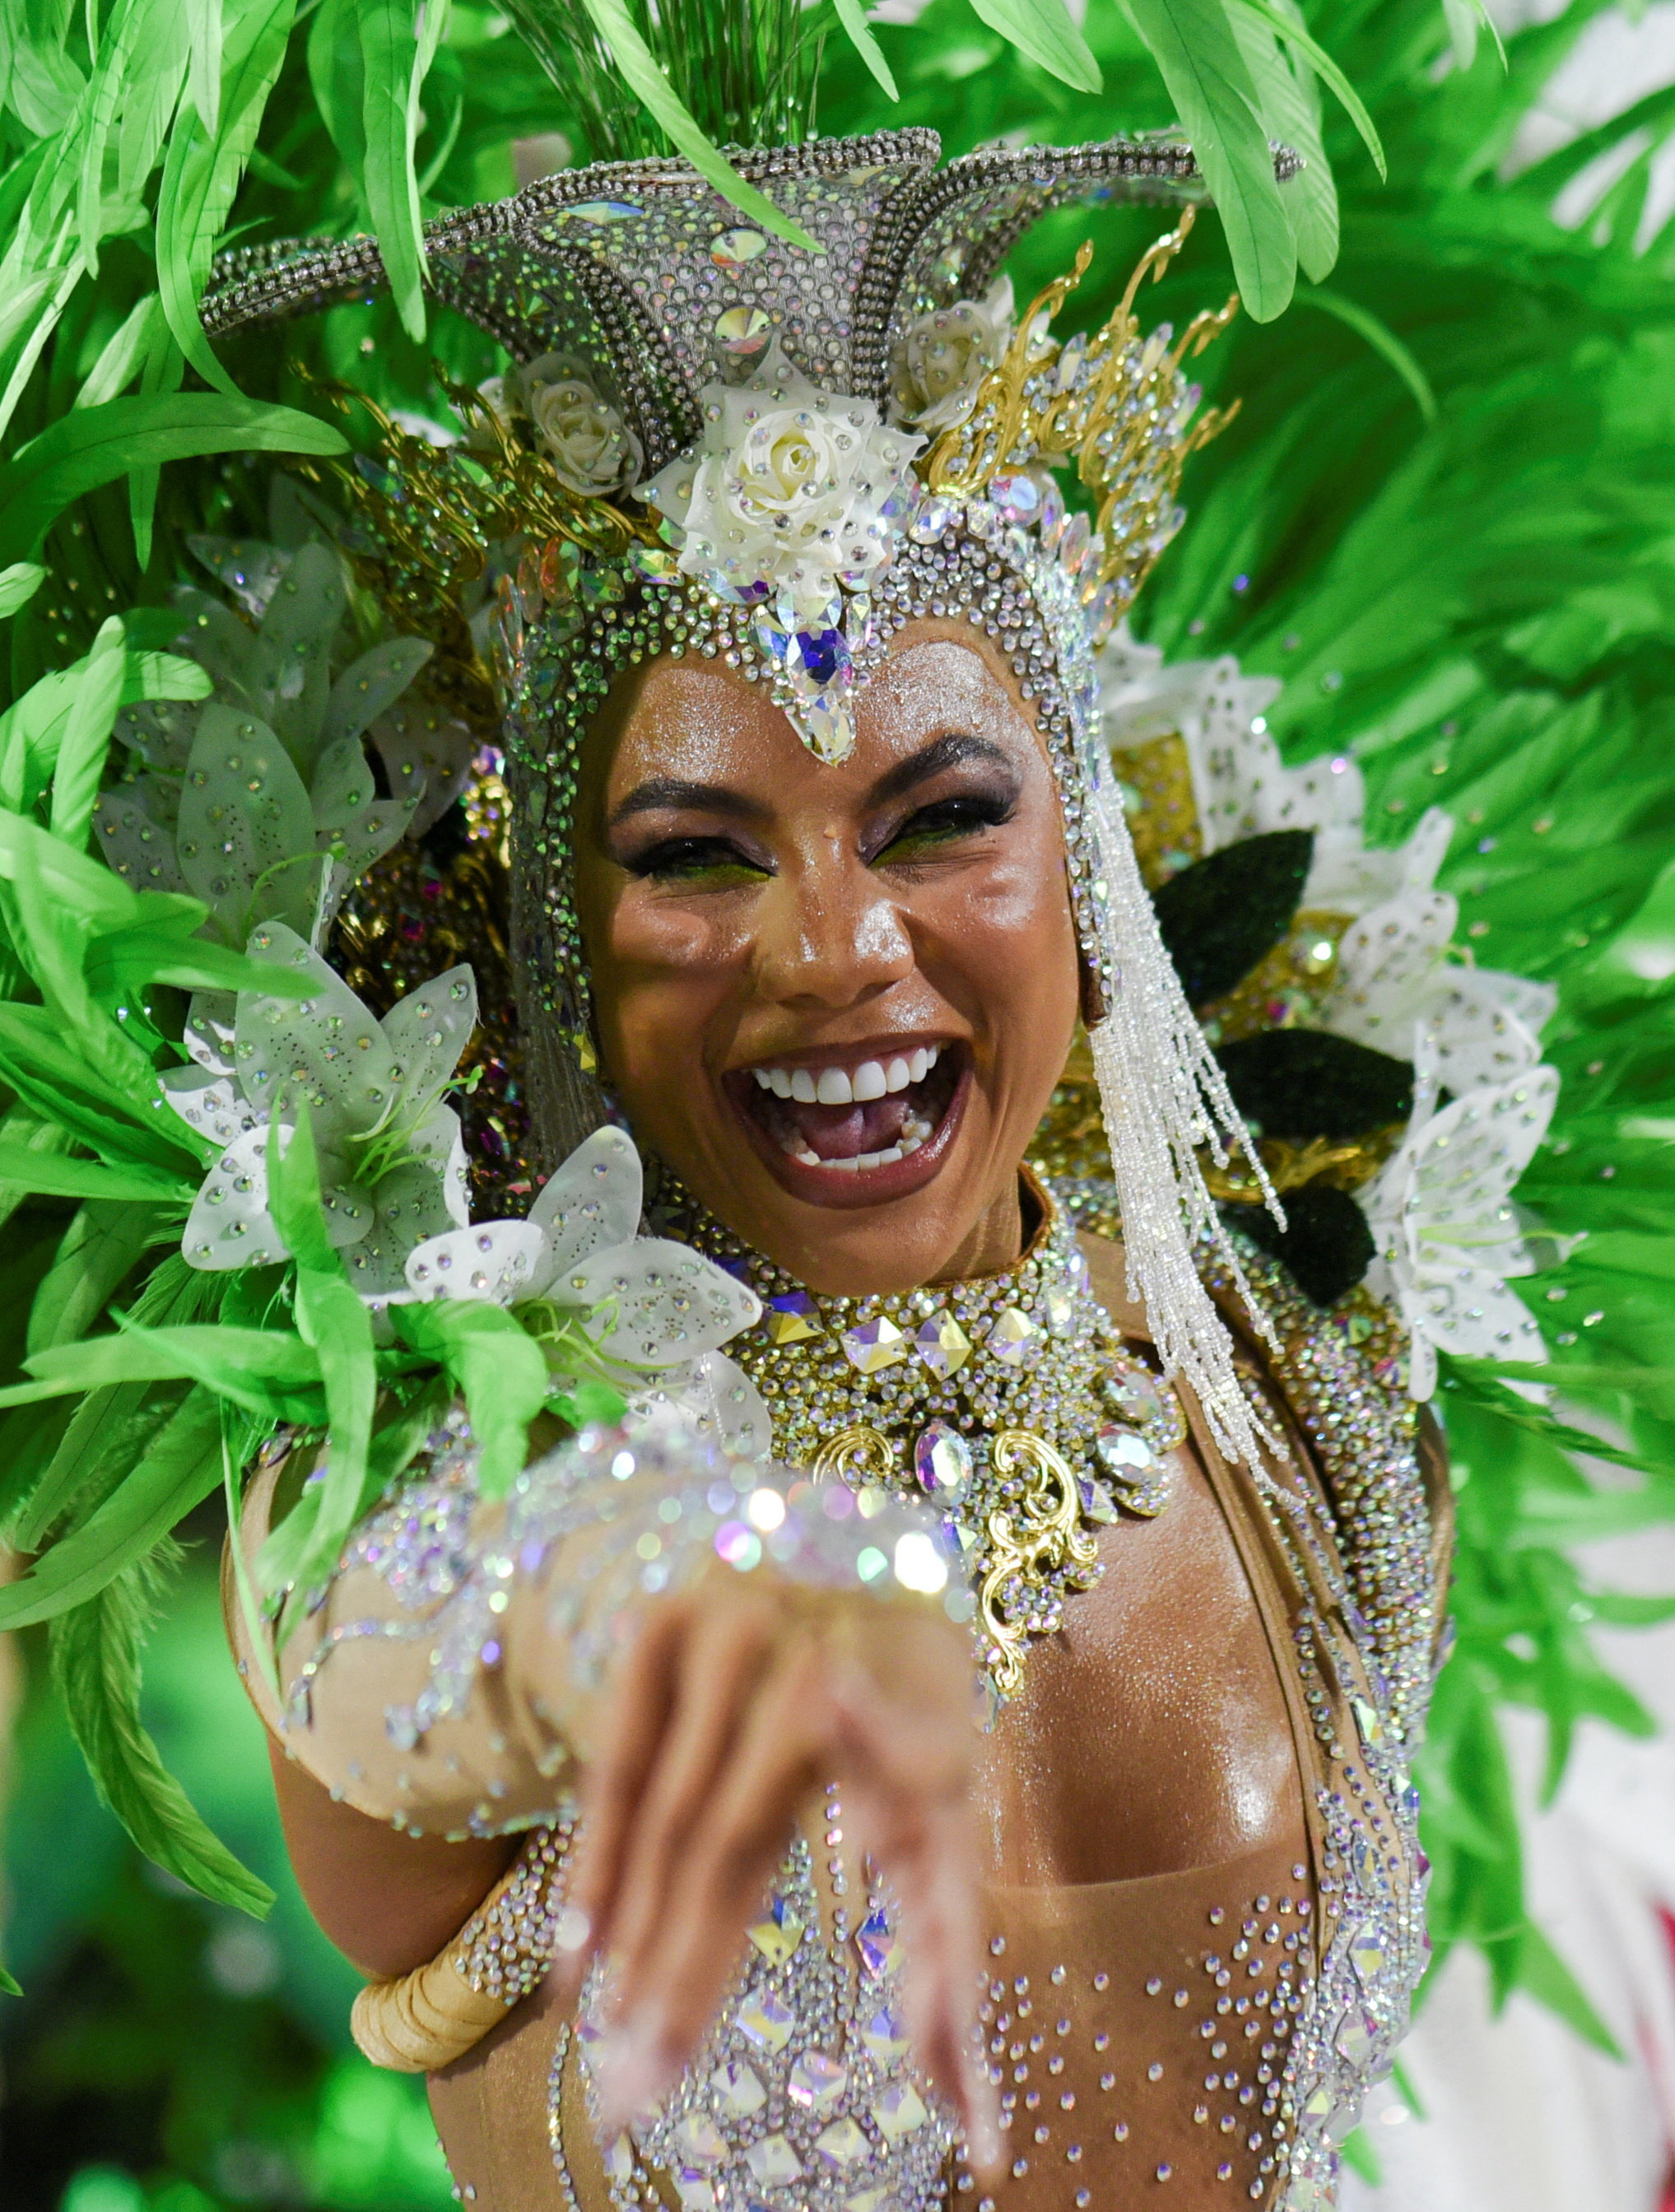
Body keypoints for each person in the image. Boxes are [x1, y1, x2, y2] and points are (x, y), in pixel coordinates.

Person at [197, 122, 1451, 2212]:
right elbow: (409, 1652)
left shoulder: (1292, 1387)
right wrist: (647, 1598)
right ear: (553, 939)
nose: (834, 950)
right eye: (693, 854)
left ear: (1089, 864)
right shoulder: (426, 1448)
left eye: (942, 815)